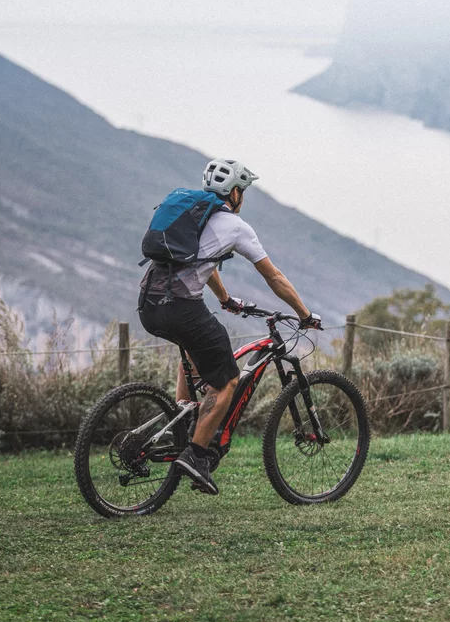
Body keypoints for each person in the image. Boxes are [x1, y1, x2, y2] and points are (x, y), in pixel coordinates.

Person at [137, 158, 321, 495]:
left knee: (193, 352)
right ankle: (196, 455)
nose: (243, 198)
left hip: (149, 304)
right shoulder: (236, 227)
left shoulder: (193, 218)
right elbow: (273, 276)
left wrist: (225, 299)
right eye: (243, 192)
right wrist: (304, 314)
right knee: (227, 382)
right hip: (180, 309)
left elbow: (202, 261)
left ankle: (185, 421)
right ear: (234, 193)